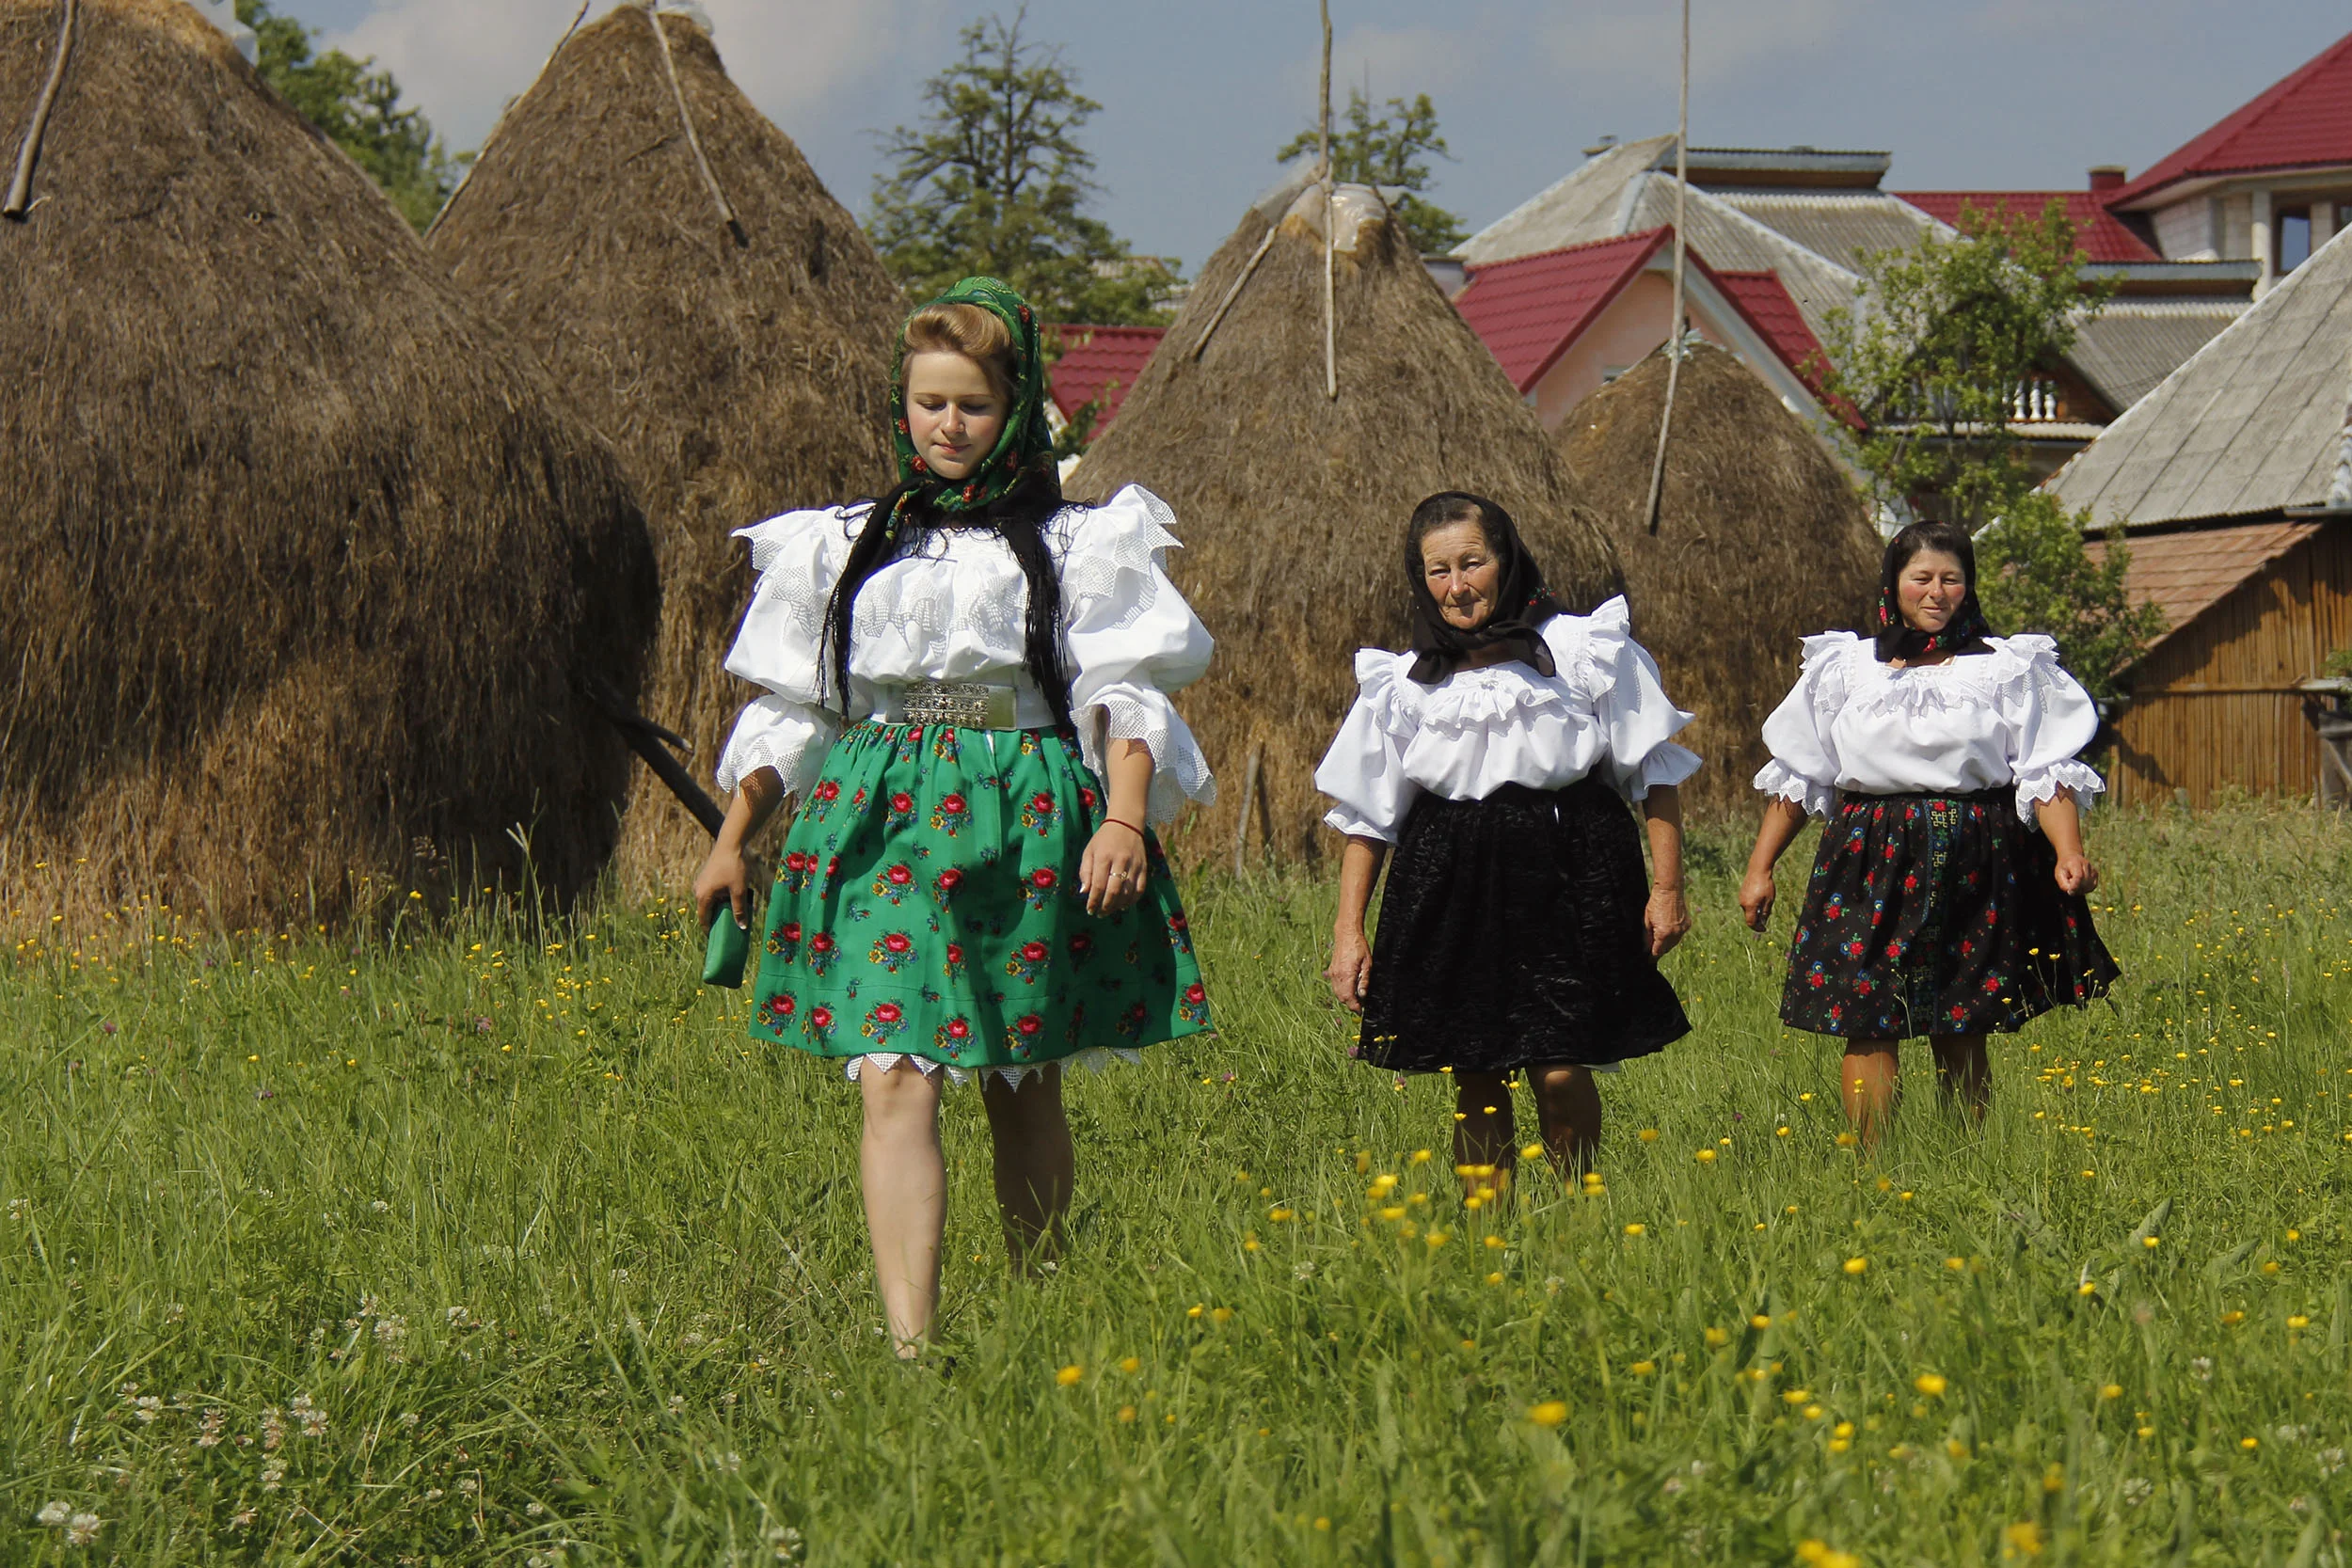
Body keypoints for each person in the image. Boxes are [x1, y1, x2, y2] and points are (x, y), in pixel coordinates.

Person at [691, 277, 1216, 1355]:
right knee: (893, 1072)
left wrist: (1123, 818)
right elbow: (795, 703)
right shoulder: (845, 541)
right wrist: (732, 836)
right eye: (929, 402)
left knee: (1021, 1080)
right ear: (902, 405)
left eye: (971, 404)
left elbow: (1124, 686)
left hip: (1020, 811)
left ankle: (1043, 1307)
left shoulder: (1077, 541)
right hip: (876, 810)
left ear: (1015, 407)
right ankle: (911, 1348)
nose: (947, 425)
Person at [1317, 492, 1698, 1192]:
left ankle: (1579, 1214)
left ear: (1507, 559)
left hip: (1570, 866)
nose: (1457, 586)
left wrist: (1667, 888)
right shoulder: (1402, 683)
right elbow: (1368, 816)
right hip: (1450, 874)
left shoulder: (1583, 649)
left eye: (1472, 562)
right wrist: (1349, 931)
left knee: (1560, 1063)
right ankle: (1485, 1238)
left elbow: (1653, 770)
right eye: (1438, 571)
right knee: (1476, 1069)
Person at [1738, 519, 2120, 1145]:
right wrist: (1761, 867)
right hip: (1867, 853)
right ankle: (1871, 1168)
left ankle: (1964, 1161)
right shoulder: (1846, 666)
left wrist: (2068, 851)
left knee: (1961, 1017)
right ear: (1894, 583)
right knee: (1867, 1015)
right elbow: (1803, 773)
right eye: (1922, 577)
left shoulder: (2006, 667)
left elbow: (2045, 767)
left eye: (1951, 578)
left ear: (1968, 588)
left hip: (1973, 852)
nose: (1936, 592)